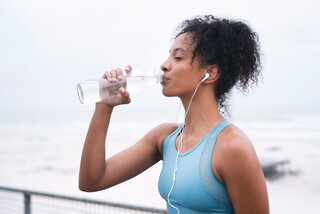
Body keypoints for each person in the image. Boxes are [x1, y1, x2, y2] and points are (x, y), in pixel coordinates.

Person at [79, 15, 269, 214]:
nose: (164, 65)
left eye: (178, 57)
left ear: (210, 73)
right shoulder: (165, 139)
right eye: (168, 56)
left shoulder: (232, 147)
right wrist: (103, 107)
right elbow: (91, 181)